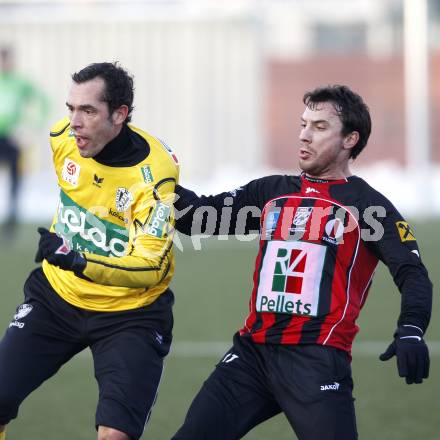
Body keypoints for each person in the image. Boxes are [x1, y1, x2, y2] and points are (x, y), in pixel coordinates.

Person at [171, 85, 432, 440]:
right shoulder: (271, 191)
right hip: (252, 355)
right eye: (303, 124)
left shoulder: (368, 207)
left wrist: (412, 329)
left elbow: (413, 273)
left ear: (349, 139)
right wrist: (153, 175)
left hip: (316, 359)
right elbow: (196, 217)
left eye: (319, 127)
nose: (304, 135)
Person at [0, 62, 179, 440]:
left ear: (120, 115)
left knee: (115, 434)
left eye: (88, 111)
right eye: (71, 109)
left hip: (130, 314)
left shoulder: (156, 174)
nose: (75, 122)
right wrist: (71, 264)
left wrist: (80, 260)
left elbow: (150, 267)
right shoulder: (62, 138)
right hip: (56, 298)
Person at [0, 46, 49, 232]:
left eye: (6, 59)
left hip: (13, 139)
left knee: (16, 180)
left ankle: (11, 222)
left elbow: (43, 101)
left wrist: (31, 127)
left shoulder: (20, 83)